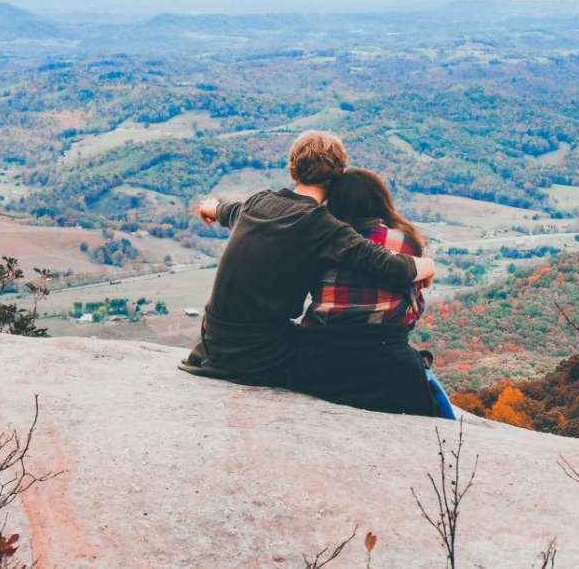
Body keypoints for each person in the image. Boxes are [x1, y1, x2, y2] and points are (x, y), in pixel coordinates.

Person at [180, 131, 436, 387]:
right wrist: (428, 266)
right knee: (327, 347)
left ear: (293, 172)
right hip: (258, 355)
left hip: (212, 342)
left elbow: (231, 211)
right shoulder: (321, 225)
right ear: (339, 176)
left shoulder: (258, 202)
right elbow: (388, 265)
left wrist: (211, 207)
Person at [291, 169, 455, 419]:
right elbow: (412, 312)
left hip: (320, 363)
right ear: (382, 200)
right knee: (442, 415)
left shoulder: (321, 241)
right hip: (387, 366)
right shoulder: (405, 242)